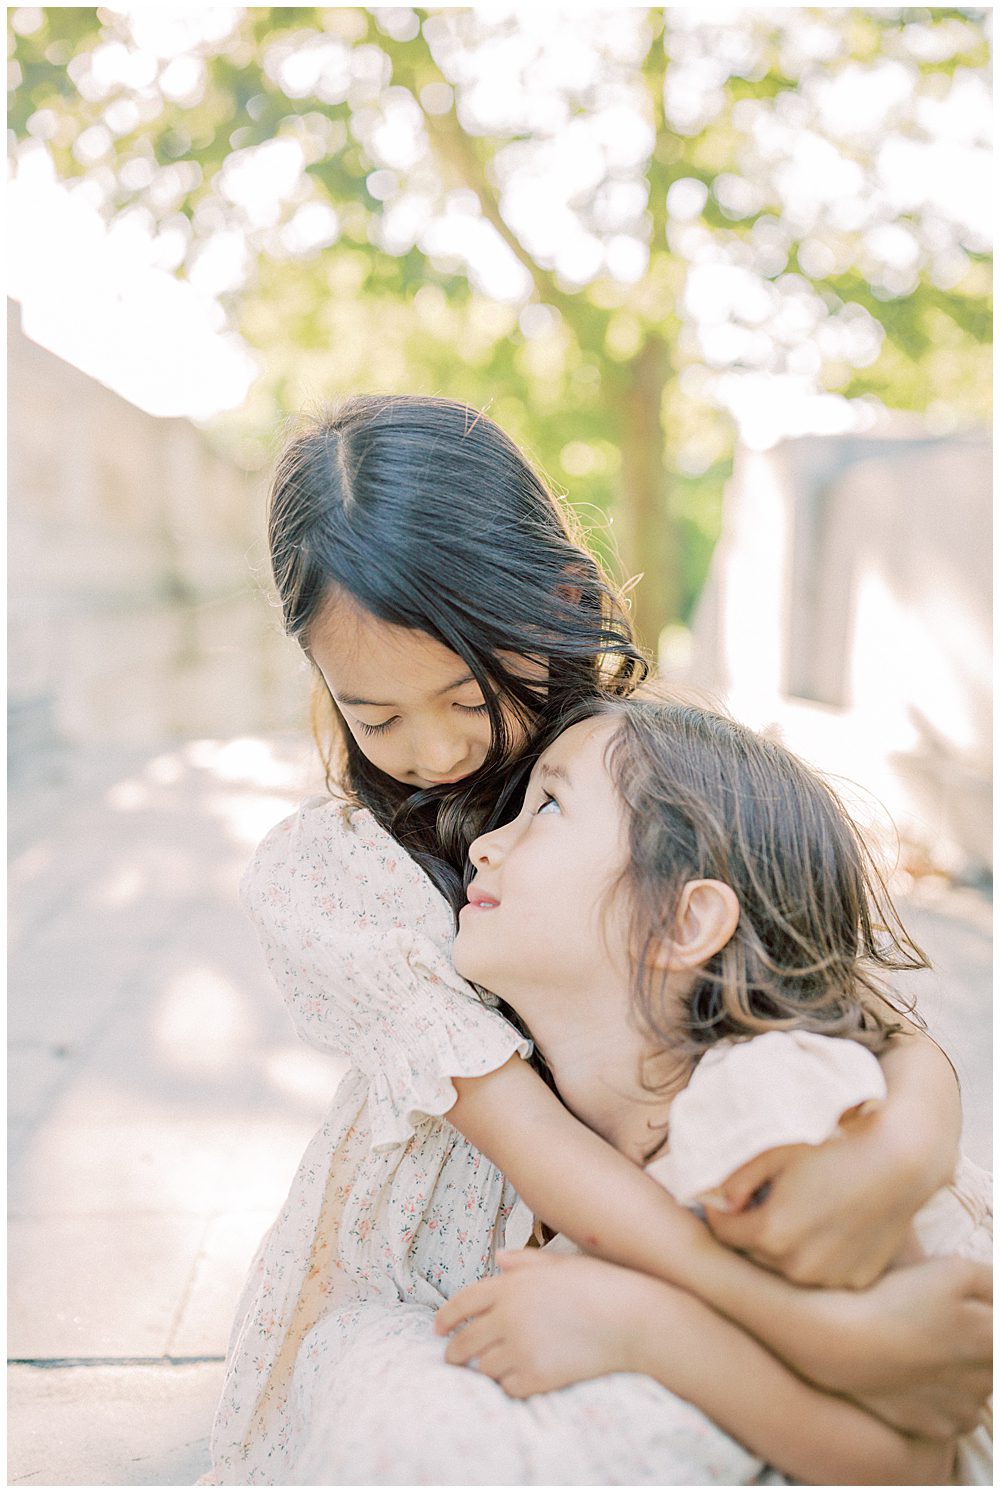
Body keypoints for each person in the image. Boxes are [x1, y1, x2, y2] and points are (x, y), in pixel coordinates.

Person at [201, 396, 982, 1483]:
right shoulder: (335, 874)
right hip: (499, 1244)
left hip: (684, 1196)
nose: (432, 752)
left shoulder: (623, 763)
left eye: (466, 695)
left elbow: (848, 1000)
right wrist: (829, 1339)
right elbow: (540, 1149)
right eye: (375, 716)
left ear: (562, 602)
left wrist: (905, 1152)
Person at [435, 698, 992, 1484]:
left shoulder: (768, 1102)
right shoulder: (591, 1129)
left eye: (548, 805)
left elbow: (914, 1465)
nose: (485, 844)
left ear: (684, 920)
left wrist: (644, 1329)